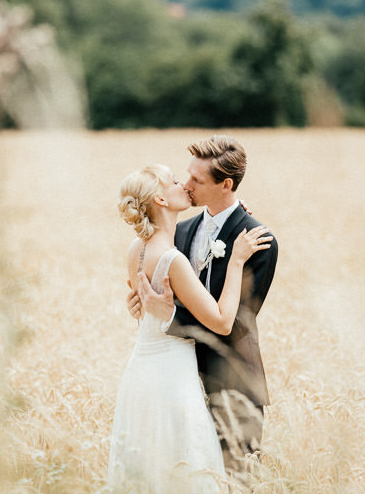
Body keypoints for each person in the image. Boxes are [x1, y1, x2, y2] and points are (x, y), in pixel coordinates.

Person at [109, 163, 273, 494]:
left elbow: (144, 305)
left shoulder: (135, 249)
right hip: (173, 377)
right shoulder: (173, 257)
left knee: (152, 467)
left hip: (142, 374)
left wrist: (229, 216)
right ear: (160, 199)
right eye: (175, 181)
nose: (184, 185)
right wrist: (237, 260)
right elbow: (223, 321)